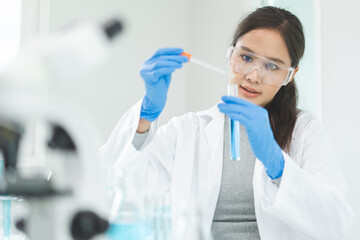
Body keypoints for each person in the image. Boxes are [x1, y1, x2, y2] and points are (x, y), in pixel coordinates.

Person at [100, 6, 355, 240]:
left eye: (271, 66)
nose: (253, 76)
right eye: (245, 58)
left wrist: (278, 166)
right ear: (230, 55)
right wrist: (147, 113)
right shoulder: (189, 130)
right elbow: (114, 186)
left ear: (291, 75)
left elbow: (337, 225)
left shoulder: (305, 130)